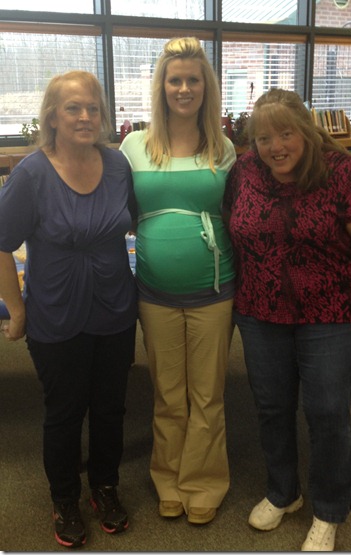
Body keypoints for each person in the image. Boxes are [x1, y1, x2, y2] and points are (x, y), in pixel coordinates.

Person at [223, 88, 351, 551]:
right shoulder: (244, 171)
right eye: (263, 138)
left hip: (332, 313)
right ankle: (283, 492)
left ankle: (329, 508)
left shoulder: (340, 173)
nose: (275, 147)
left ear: (306, 131)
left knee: (327, 411)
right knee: (271, 406)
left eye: (285, 134)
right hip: (261, 311)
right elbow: (231, 226)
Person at [0, 70, 138, 548]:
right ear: (53, 117)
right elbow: (2, 244)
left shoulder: (117, 165)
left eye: (93, 108)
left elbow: (135, 221)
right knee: (64, 411)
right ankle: (64, 498)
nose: (84, 117)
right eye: (73, 108)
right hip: (55, 312)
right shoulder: (31, 174)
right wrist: (17, 310)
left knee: (110, 407)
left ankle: (105, 487)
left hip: (115, 308)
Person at [120, 36, 236, 525]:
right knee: (168, 394)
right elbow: (120, 212)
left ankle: (203, 483)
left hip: (214, 290)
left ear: (206, 87)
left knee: (207, 394)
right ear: (161, 86)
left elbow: (235, 214)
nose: (184, 89)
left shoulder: (223, 148)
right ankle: (169, 480)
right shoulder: (134, 146)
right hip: (154, 291)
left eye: (193, 80)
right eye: (175, 80)